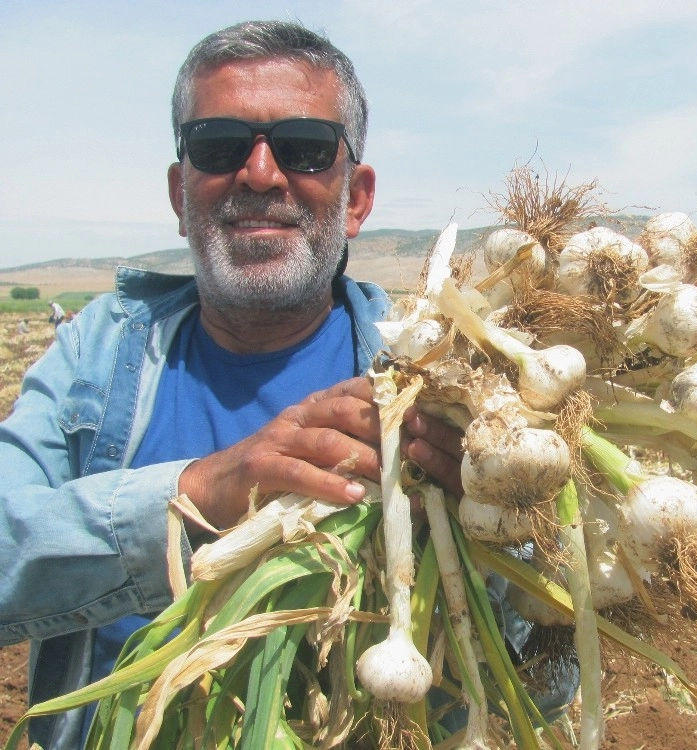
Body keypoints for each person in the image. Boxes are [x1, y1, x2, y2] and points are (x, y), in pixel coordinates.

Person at [0, 21, 466, 749]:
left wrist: (494, 536)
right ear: (180, 190)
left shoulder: (438, 381)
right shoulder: (99, 352)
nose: (259, 174)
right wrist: (195, 498)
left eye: (304, 148)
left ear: (356, 197)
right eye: (219, 146)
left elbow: (541, 676)